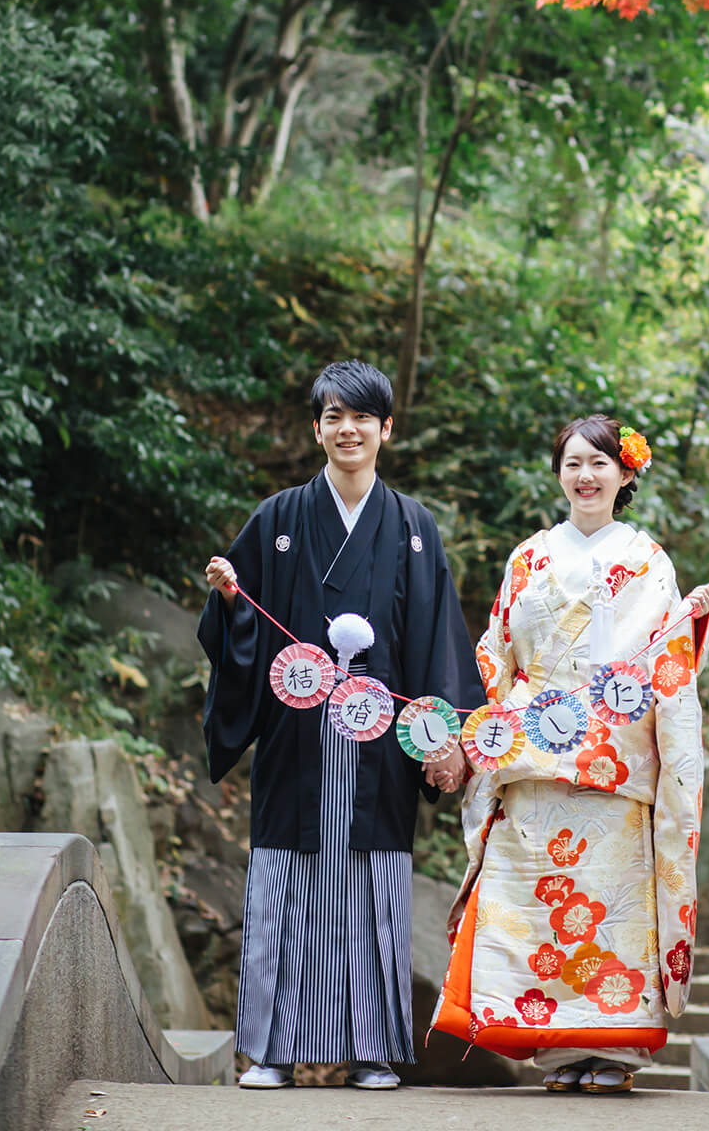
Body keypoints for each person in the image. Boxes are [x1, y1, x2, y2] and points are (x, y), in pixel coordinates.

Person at [199, 360, 482, 1091]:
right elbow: (243, 628)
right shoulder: (279, 519)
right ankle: (271, 1049)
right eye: (333, 416)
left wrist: (439, 732)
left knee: (372, 884)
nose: (346, 429)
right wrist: (230, 603)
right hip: (296, 741)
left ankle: (370, 1049)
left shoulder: (414, 526)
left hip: (378, 740)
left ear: (386, 428)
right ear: (316, 428)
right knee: (285, 882)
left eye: (362, 417)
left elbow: (434, 640)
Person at [432, 413, 709, 1094]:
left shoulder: (648, 560)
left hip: (615, 763)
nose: (585, 476)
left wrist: (689, 625)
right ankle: (556, 1049)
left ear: (624, 475)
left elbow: (663, 665)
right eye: (572, 464)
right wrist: (490, 737)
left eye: (599, 464)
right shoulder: (528, 557)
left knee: (609, 906)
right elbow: (497, 656)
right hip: (535, 757)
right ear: (558, 474)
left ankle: (614, 1050)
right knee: (536, 903)